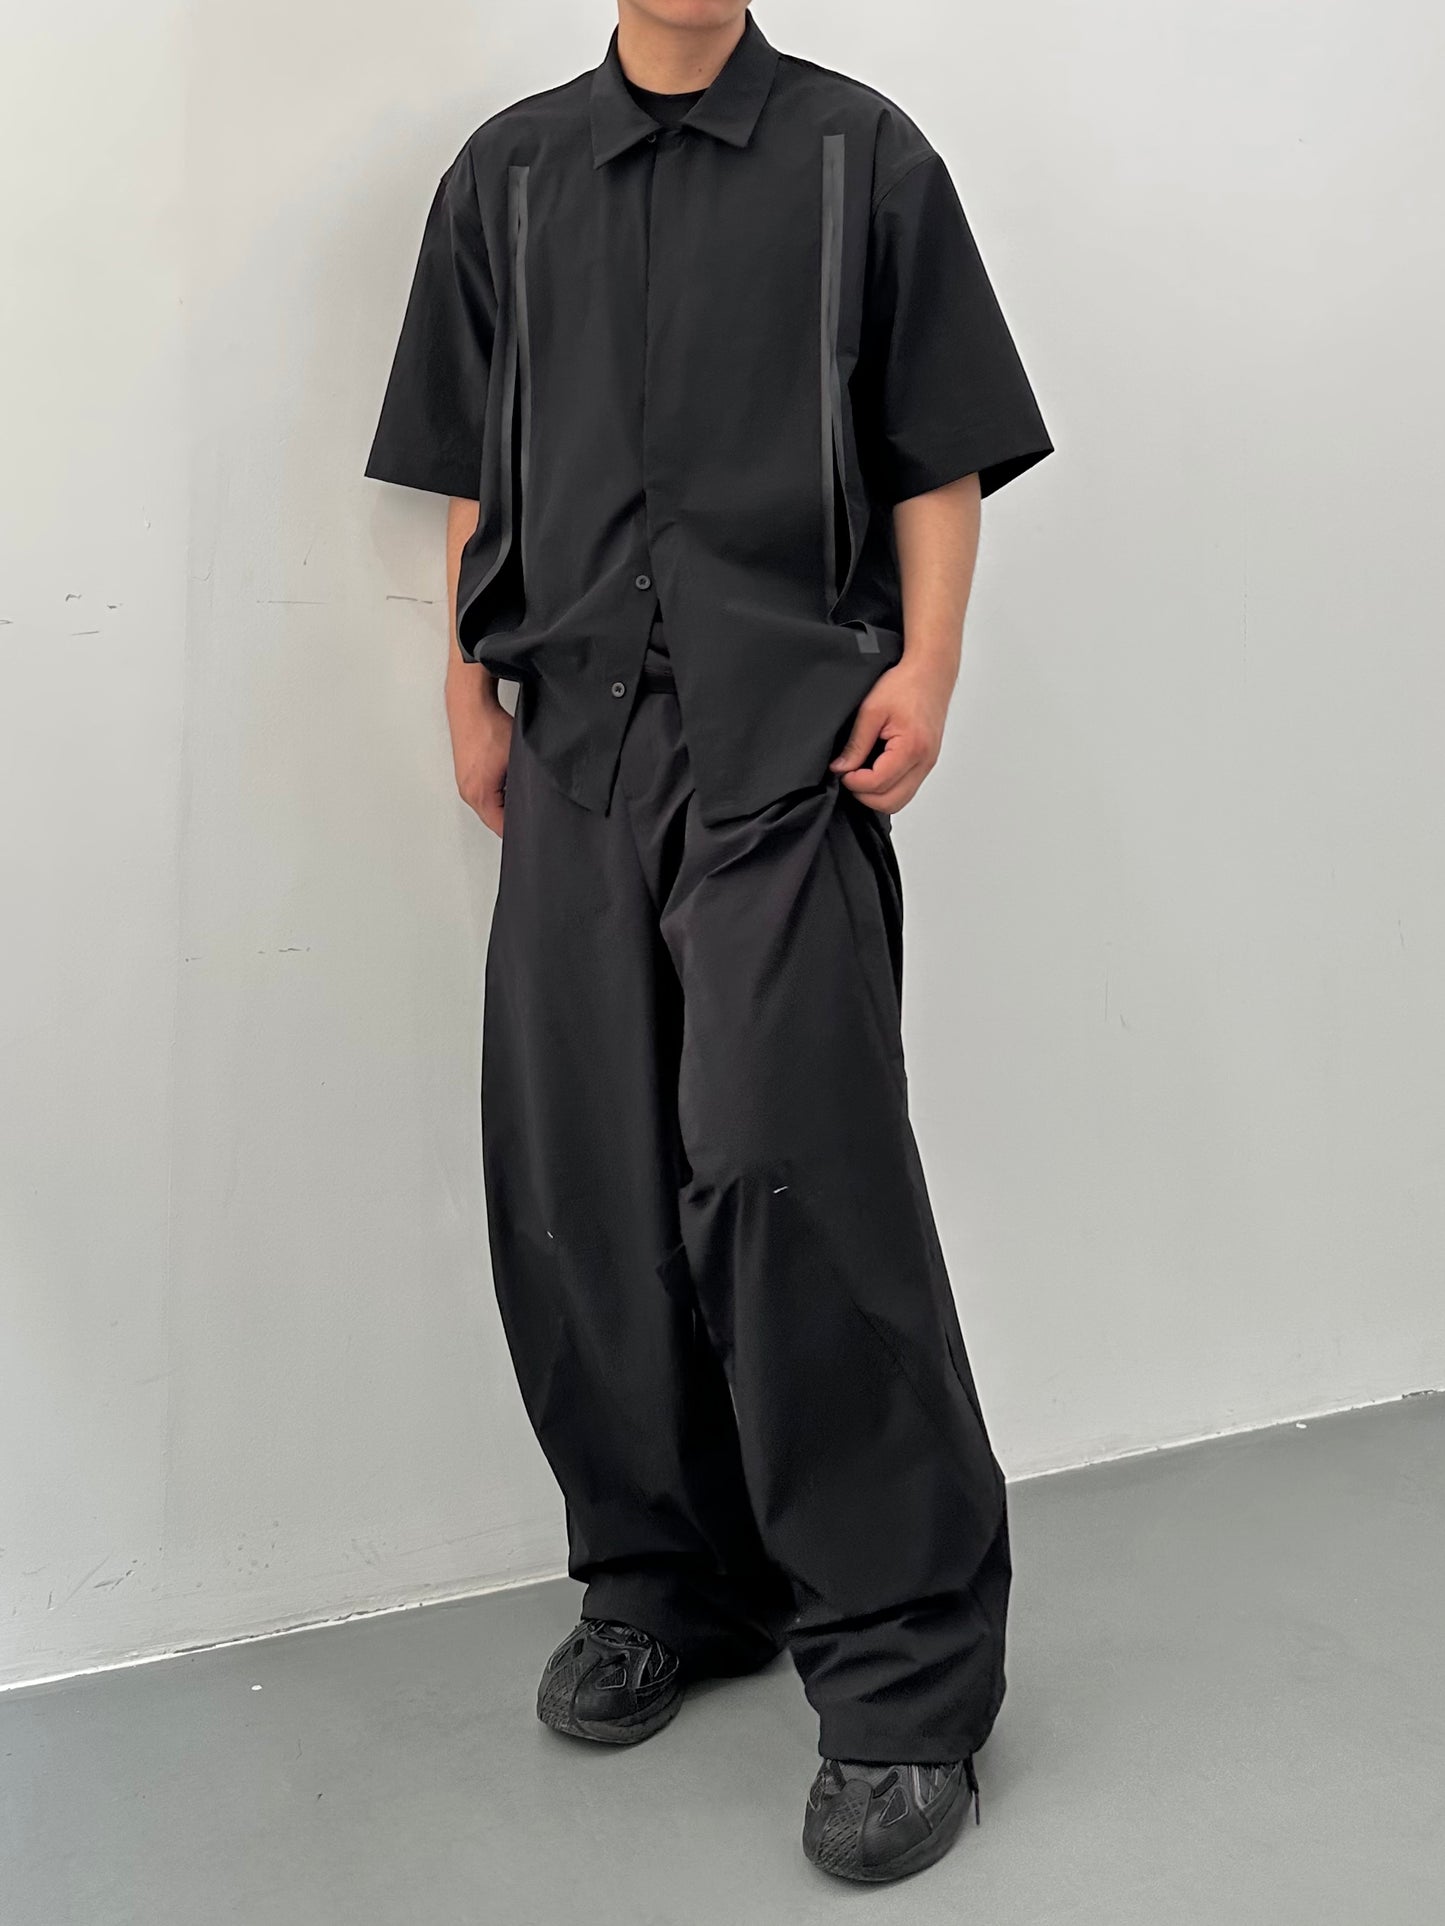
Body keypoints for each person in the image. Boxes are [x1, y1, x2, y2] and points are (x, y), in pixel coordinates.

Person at [365, 0, 1051, 1885]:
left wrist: (929, 664)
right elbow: (474, 465)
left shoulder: (857, 158)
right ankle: (668, 1575)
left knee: (786, 1167)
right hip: (574, 737)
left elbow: (934, 449)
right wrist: (465, 695)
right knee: (580, 1173)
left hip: (787, 736)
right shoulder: (508, 177)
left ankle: (904, 1678)